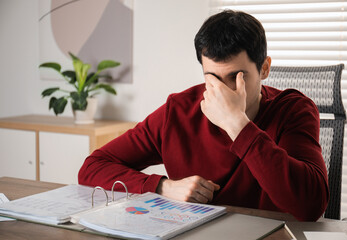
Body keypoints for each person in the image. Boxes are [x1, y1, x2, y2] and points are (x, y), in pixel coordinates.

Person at [78, 10, 329, 221]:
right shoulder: (179, 110)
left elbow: (311, 207)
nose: (222, 91)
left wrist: (237, 125)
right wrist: (163, 187)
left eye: (236, 78)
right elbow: (92, 167)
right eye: (213, 79)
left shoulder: (294, 110)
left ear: (264, 69)